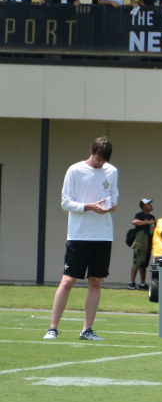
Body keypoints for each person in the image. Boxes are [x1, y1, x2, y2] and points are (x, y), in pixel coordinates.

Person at [44, 137, 119, 341]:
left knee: (96, 281)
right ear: (91, 152)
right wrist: (88, 207)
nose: (100, 164)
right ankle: (52, 328)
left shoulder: (112, 172)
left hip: (103, 235)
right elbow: (65, 203)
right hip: (79, 234)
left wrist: (111, 206)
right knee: (68, 280)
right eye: (97, 160)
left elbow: (114, 197)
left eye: (103, 161)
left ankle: (87, 329)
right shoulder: (75, 170)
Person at [128, 198, 156, 290]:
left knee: (144, 263)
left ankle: (142, 283)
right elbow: (134, 222)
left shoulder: (152, 217)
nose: (150, 205)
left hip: (148, 242)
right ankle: (132, 283)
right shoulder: (140, 215)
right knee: (137, 261)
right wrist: (148, 222)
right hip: (140, 242)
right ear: (144, 206)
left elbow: (152, 230)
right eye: (148, 204)